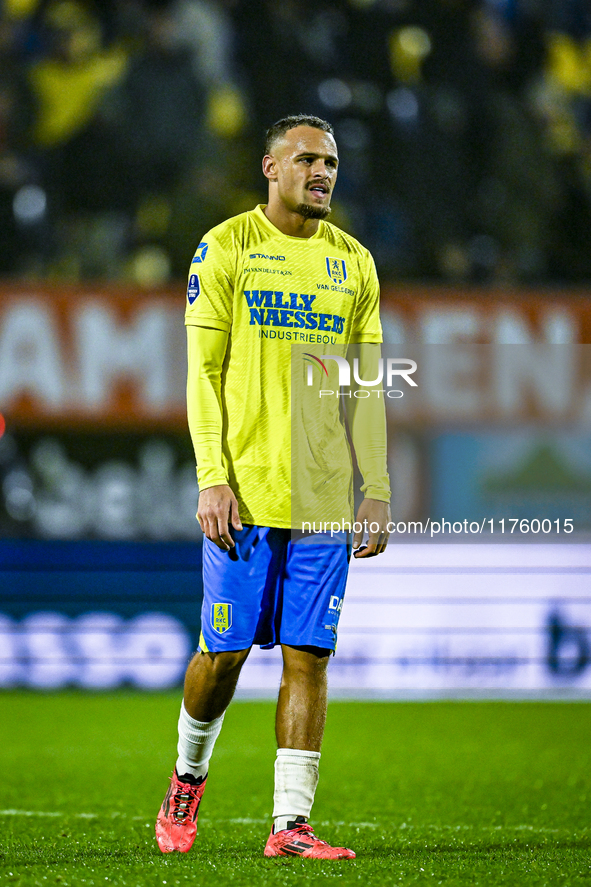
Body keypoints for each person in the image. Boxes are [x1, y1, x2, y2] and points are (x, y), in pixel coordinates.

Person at [155, 114, 391, 860]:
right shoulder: (224, 248)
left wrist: (376, 485)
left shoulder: (353, 263)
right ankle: (187, 777)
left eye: (330, 162)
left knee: (308, 655)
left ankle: (289, 824)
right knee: (221, 656)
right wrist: (212, 478)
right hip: (246, 492)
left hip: (322, 497)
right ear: (269, 167)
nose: (321, 172)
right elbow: (201, 375)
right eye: (306, 159)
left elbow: (366, 386)